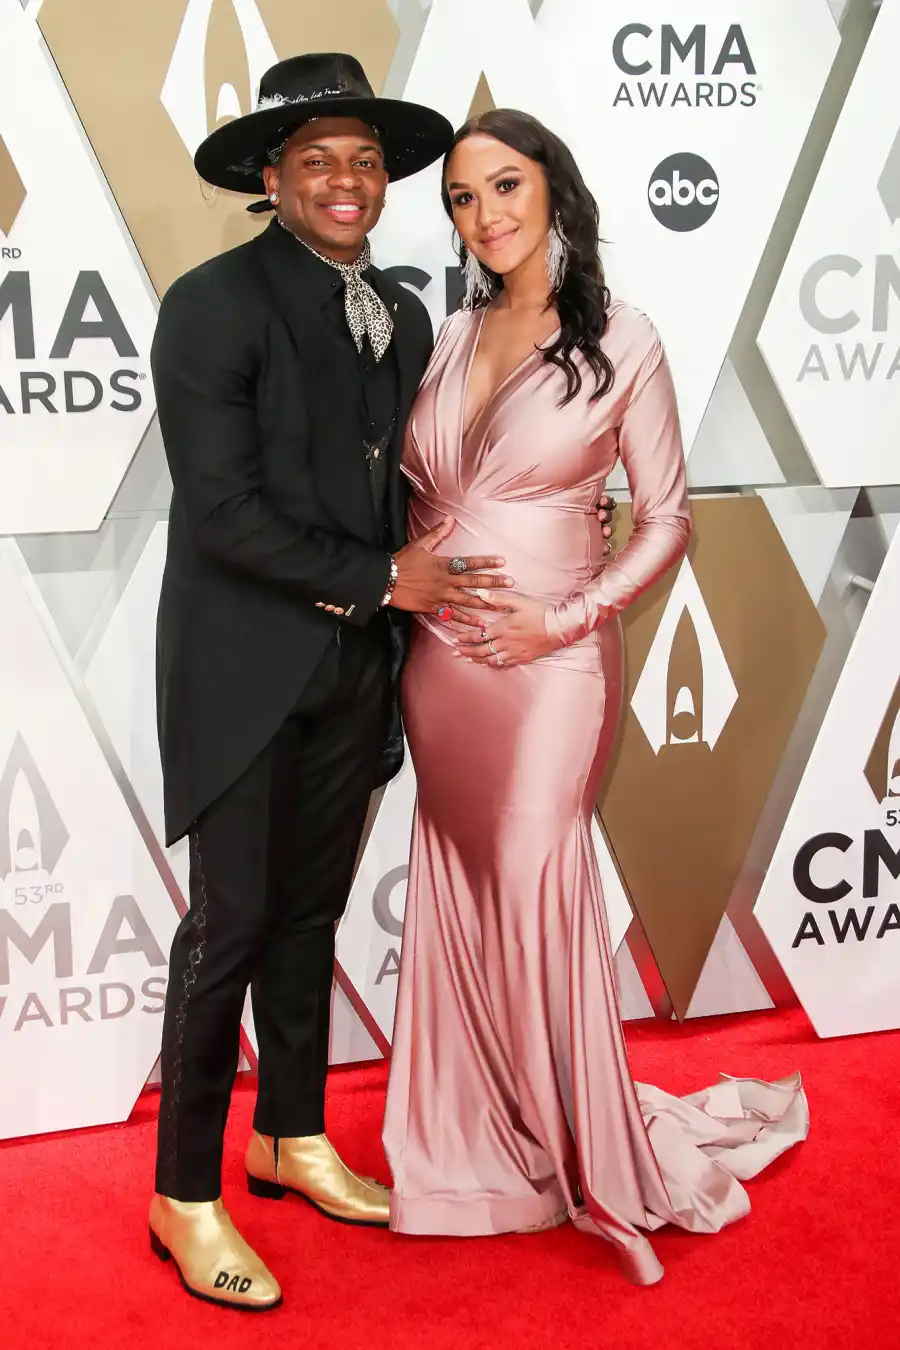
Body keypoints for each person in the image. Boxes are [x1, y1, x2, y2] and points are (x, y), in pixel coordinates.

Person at [149, 49, 620, 1311]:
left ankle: (290, 1136)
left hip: (360, 672)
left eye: (365, 159)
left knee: (310, 916)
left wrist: (547, 533)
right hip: (243, 673)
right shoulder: (211, 304)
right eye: (318, 160)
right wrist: (379, 579)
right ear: (272, 177)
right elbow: (221, 515)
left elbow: (424, 480)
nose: (347, 180)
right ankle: (183, 1195)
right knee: (230, 927)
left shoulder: (407, 318)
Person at [383, 109, 809, 1287]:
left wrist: (561, 619)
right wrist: (404, 579)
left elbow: (666, 520)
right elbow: (419, 497)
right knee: (464, 888)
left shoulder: (625, 338)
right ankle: (485, 1144)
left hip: (553, 668)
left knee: (533, 878)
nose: (484, 214)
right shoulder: (448, 335)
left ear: (555, 191)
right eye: (462, 197)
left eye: (505, 185)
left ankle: (581, 1144)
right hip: (441, 667)